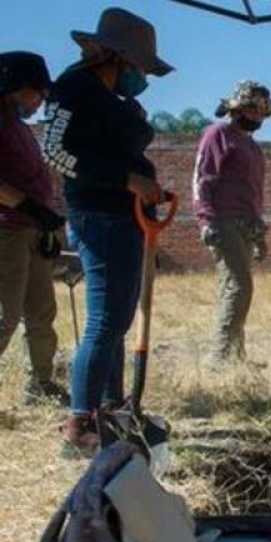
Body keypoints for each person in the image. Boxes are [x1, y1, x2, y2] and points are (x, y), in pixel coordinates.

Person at [43, 7, 173, 451]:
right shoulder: (73, 88)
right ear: (114, 56)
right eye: (139, 67)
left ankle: (112, 411)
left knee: (117, 318)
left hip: (125, 214)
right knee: (104, 321)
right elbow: (54, 152)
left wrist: (143, 185)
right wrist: (127, 180)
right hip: (99, 215)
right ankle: (80, 425)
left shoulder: (114, 99)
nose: (142, 76)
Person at [0, 52, 69, 405]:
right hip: (6, 232)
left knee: (41, 313)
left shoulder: (20, 128)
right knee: (4, 314)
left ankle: (40, 385)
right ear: (15, 87)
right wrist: (30, 208)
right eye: (37, 92)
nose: (40, 101)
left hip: (32, 230)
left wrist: (49, 220)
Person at [193, 80, 271, 362]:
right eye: (252, 110)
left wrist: (258, 232)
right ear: (238, 108)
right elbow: (202, 178)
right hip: (222, 221)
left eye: (262, 113)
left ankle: (236, 356)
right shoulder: (217, 134)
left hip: (246, 224)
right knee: (239, 286)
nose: (257, 117)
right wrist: (206, 219)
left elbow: (253, 192)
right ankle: (220, 359)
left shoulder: (252, 147)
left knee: (233, 288)